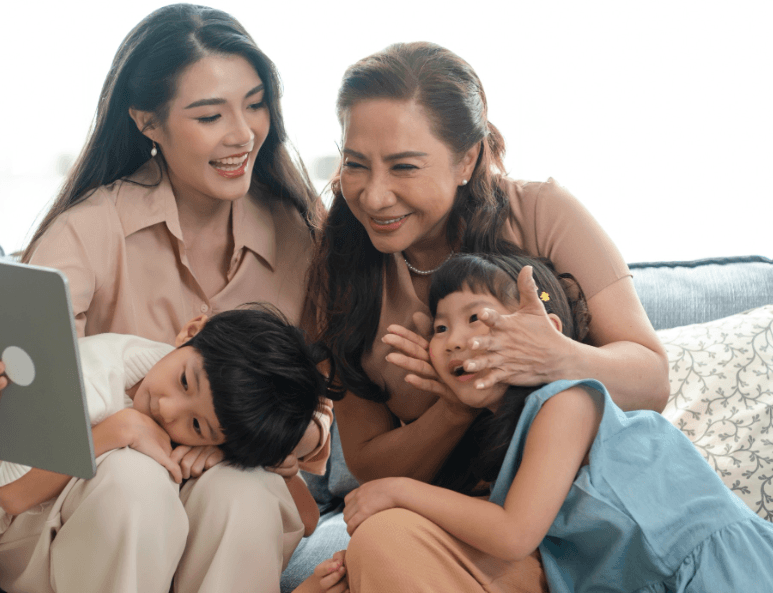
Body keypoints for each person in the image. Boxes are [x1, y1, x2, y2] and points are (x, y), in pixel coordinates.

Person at [0, 4, 332, 593]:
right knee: (134, 482)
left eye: (255, 104)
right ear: (148, 123)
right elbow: (25, 420)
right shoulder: (89, 231)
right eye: (209, 115)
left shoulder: (300, 236)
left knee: (241, 492)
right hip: (89, 502)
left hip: (228, 483)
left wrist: (242, 437)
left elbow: (318, 413)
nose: (243, 133)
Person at [302, 42, 670, 590]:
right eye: (356, 165)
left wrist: (555, 357)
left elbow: (651, 380)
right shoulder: (344, 269)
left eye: (404, 166)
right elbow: (372, 466)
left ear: (467, 159)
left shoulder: (542, 213)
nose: (374, 195)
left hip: (600, 530)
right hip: (479, 533)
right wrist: (451, 409)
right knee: (378, 544)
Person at [309, 252, 773, 592]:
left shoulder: (567, 402)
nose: (455, 340)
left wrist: (399, 489)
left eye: (477, 318)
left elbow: (513, 534)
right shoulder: (511, 444)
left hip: (716, 575)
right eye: (441, 328)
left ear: (546, 330)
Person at [0, 306, 330, 593]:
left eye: (197, 424)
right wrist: (116, 430)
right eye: (183, 381)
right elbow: (14, 495)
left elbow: (304, 520)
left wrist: (240, 456)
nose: (168, 409)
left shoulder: (218, 418)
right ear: (189, 331)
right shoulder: (95, 374)